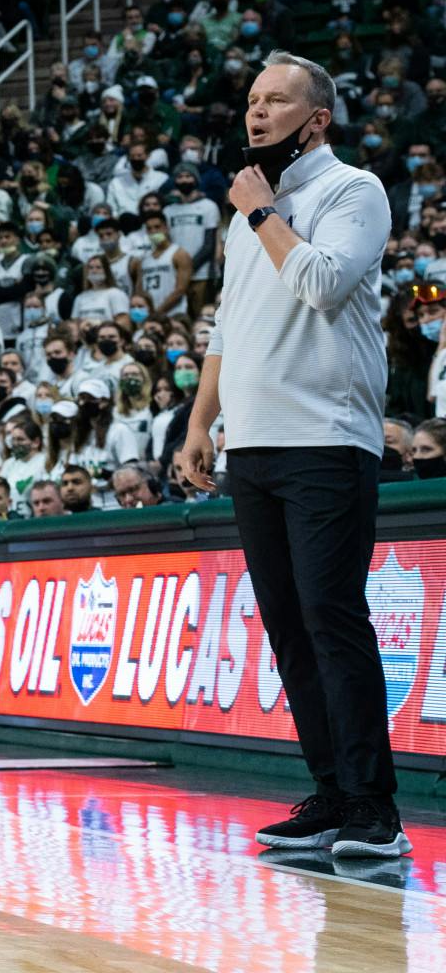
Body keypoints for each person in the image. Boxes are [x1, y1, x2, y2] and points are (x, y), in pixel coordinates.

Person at [176, 50, 408, 862]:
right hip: (255, 446)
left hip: (326, 440)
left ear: (317, 119)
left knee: (332, 620)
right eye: (250, 100)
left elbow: (322, 283)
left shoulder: (354, 191)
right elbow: (227, 330)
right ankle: (332, 794)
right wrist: (200, 424)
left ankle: (377, 810)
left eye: (275, 100)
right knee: (287, 630)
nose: (256, 111)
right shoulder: (251, 211)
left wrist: (264, 214)